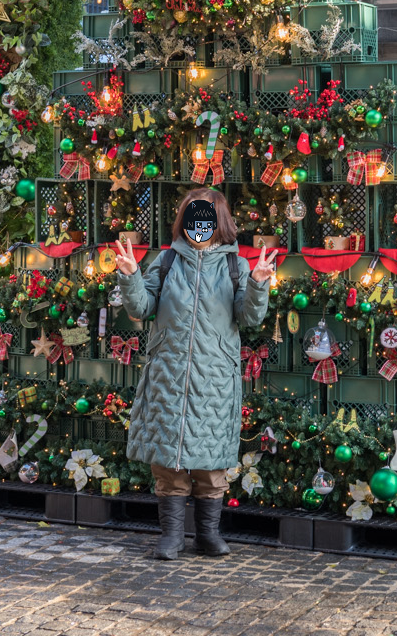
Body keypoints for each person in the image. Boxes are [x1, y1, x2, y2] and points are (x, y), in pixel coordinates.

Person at [114, 188, 273, 560]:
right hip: (168, 373)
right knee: (168, 458)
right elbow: (141, 308)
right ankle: (171, 536)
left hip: (214, 376)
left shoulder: (237, 266)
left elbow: (249, 318)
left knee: (212, 460)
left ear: (219, 221)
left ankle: (207, 534)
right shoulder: (167, 261)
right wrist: (131, 276)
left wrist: (259, 284)